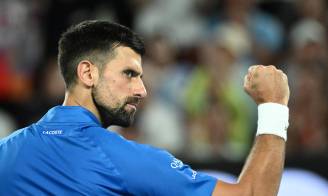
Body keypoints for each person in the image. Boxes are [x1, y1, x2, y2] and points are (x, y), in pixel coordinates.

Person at [0, 20, 290, 195]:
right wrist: (274, 106)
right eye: (129, 74)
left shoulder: (6, 151)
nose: (142, 89)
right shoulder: (118, 157)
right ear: (88, 73)